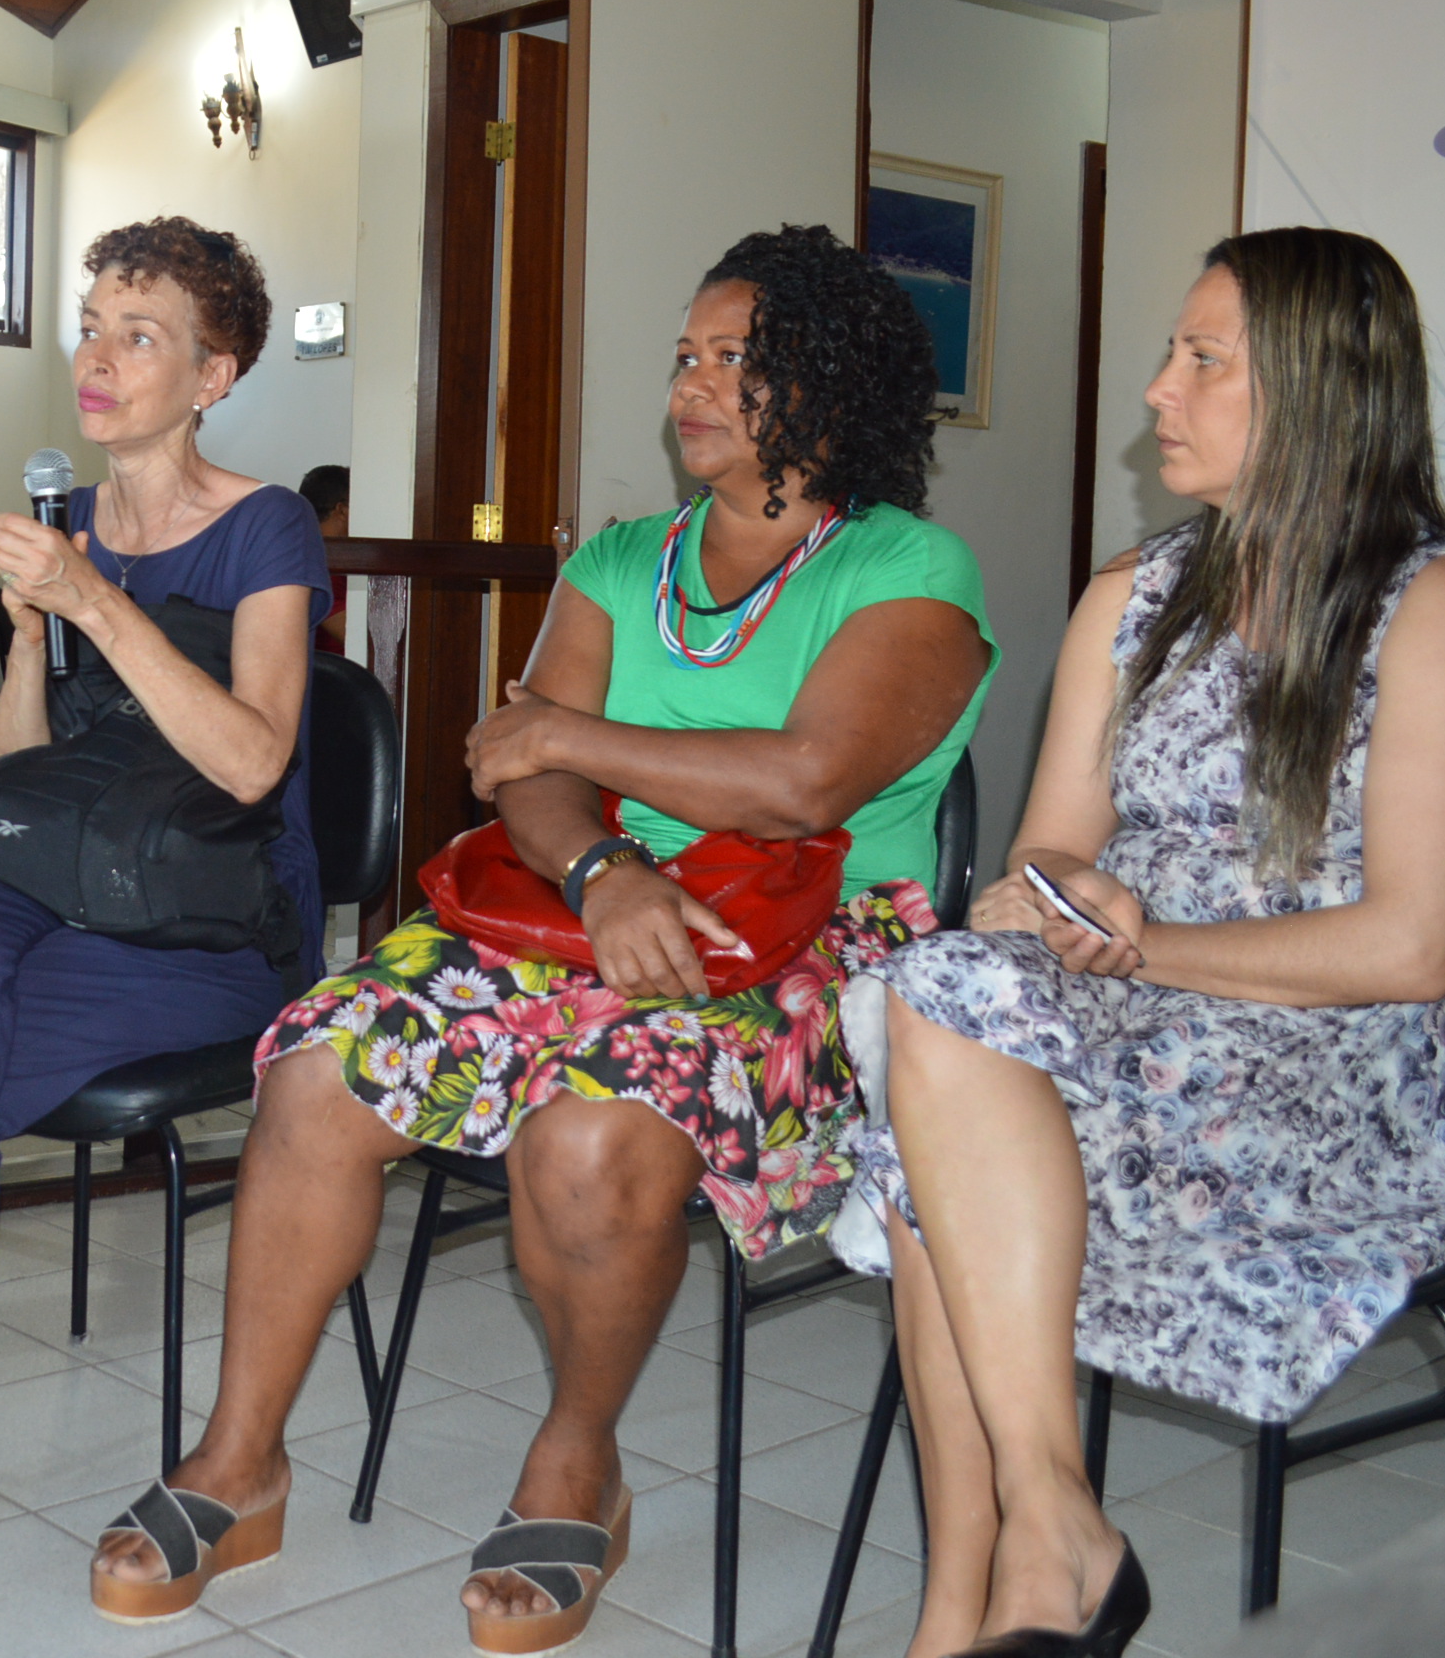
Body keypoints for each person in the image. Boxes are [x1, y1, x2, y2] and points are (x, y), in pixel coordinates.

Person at [89, 223, 993, 1647]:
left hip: (797, 940)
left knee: (592, 1134)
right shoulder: (627, 558)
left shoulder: (908, 568)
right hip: (579, 904)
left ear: (829, 379)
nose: (692, 384)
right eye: (685, 356)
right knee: (320, 1064)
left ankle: (580, 1458)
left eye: (734, 359)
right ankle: (240, 1460)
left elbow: (808, 775)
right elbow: (523, 779)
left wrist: (570, 731)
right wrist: (607, 872)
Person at [848, 228, 1445, 1658]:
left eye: (1203, 360)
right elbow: (1047, 850)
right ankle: (1039, 1543)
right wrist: (1052, 905)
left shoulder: (1443, 610)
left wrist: (1139, 946)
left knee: (938, 1129)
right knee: (945, 997)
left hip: (1359, 1072)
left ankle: (989, 1587)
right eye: (1173, 354)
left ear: (1320, 390)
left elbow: (1410, 949)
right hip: (1149, 1017)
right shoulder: (1138, 596)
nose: (1159, 390)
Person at [0, 216, 331, 1566]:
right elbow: (12, 785)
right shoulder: (65, 521)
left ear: (214, 376)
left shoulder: (267, 529)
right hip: (64, 881)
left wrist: (98, 604)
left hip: (210, 919)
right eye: (92, 324)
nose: (99, 357)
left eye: (140, 333)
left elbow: (255, 759)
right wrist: (30, 632)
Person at [300, 463, 351, 652]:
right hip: (328, 677)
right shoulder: (322, 563)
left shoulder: (309, 552)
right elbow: (358, 639)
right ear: (342, 511)